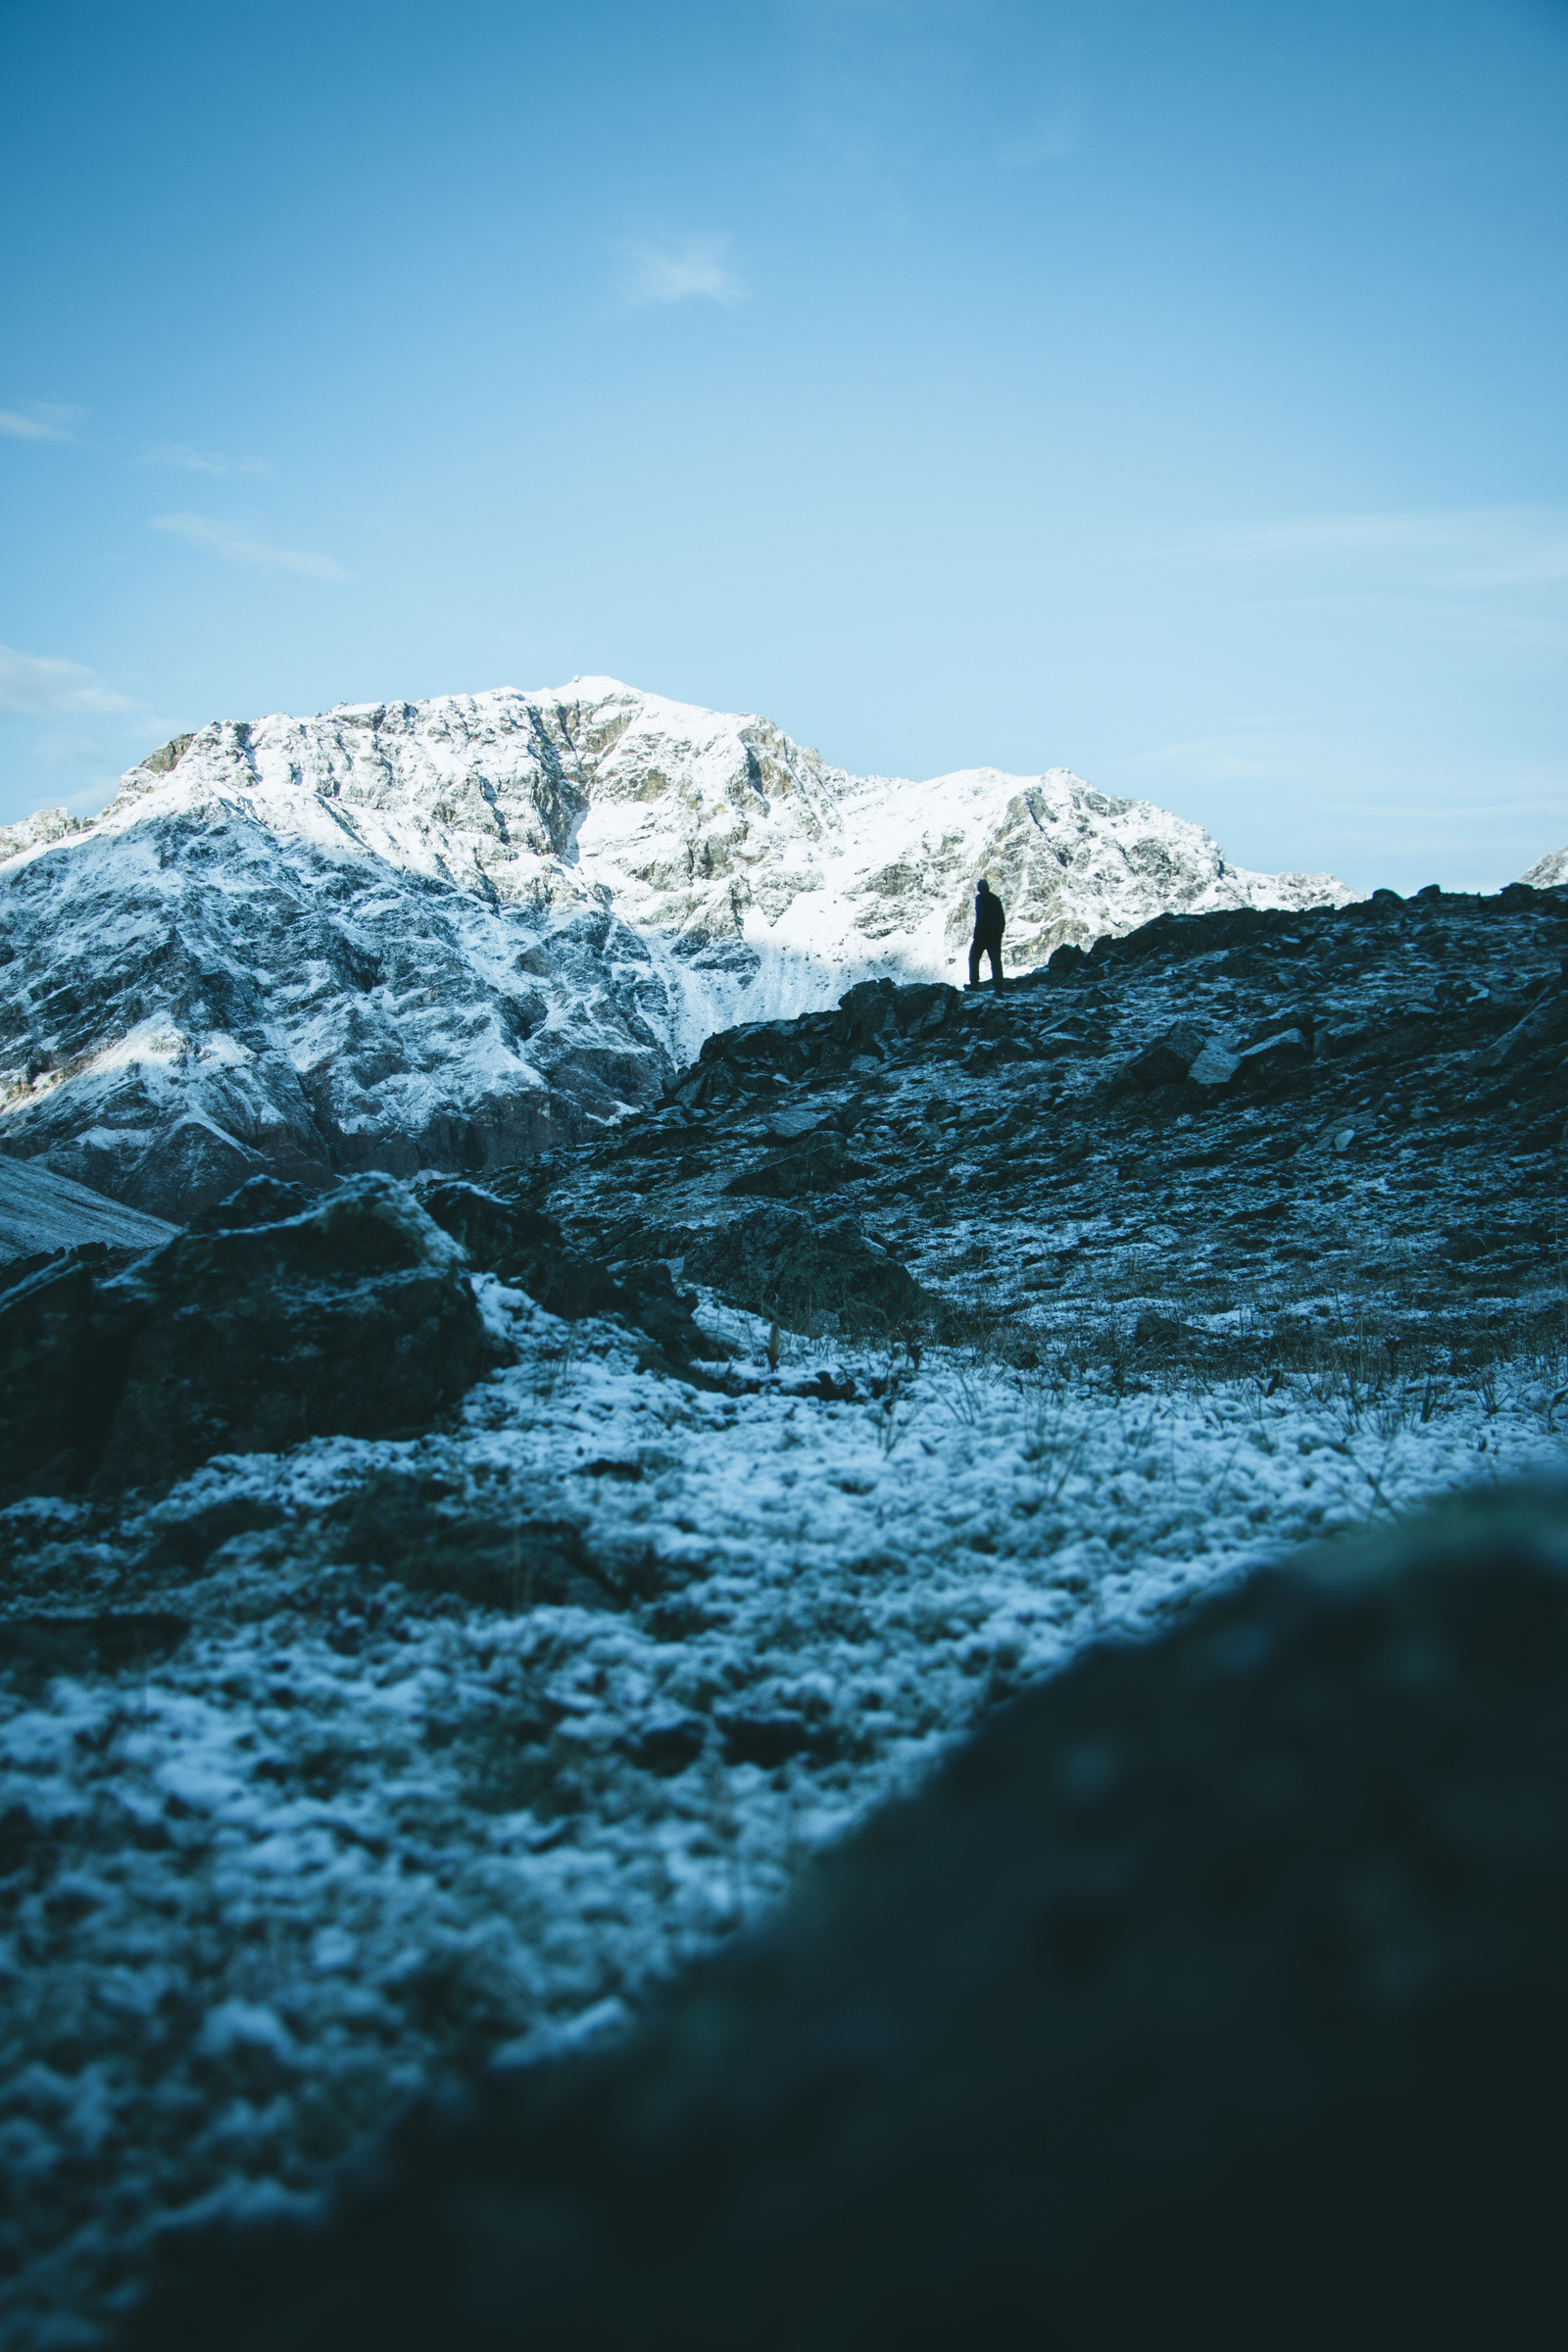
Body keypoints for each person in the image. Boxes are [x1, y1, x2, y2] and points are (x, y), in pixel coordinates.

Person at [968, 877, 1004, 990]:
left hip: (983, 934)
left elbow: (980, 915)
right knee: (995, 959)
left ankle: (974, 983)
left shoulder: (980, 898)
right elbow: (1002, 918)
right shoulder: (995, 898)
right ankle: (998, 984)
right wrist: (999, 932)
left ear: (979, 888)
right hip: (995, 935)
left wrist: (977, 933)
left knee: (974, 957)